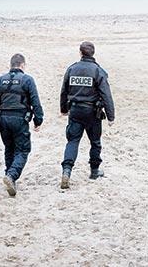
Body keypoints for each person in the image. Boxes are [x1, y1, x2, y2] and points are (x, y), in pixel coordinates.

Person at [0, 53, 44, 197]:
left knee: (9, 148)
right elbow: (35, 102)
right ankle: (12, 176)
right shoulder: (27, 80)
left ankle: (10, 177)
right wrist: (38, 120)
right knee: (22, 150)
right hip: (20, 120)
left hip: (3, 120)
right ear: (22, 65)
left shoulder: (0, 80)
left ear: (11, 65)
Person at [59, 41, 115, 187]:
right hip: (92, 112)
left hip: (75, 111)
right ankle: (94, 171)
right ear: (93, 53)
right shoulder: (98, 71)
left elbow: (64, 91)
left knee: (72, 141)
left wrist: (64, 109)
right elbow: (106, 94)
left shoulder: (72, 69)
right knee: (95, 142)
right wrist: (111, 116)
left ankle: (66, 170)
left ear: (80, 53)